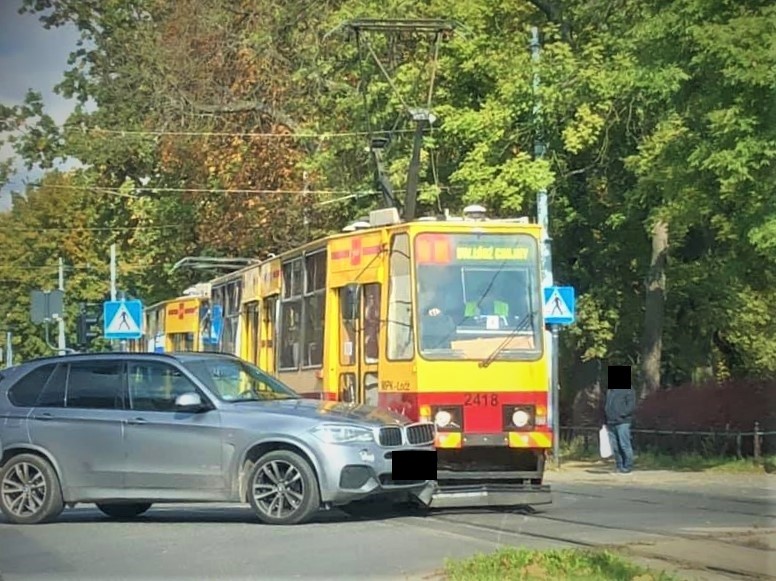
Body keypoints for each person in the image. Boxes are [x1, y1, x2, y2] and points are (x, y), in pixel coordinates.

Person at [604, 382, 636, 474]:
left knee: (624, 444)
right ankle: (619, 465)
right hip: (610, 422)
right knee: (615, 446)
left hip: (623, 422)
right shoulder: (610, 390)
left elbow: (631, 405)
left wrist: (622, 414)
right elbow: (607, 404)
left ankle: (628, 466)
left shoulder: (628, 389)